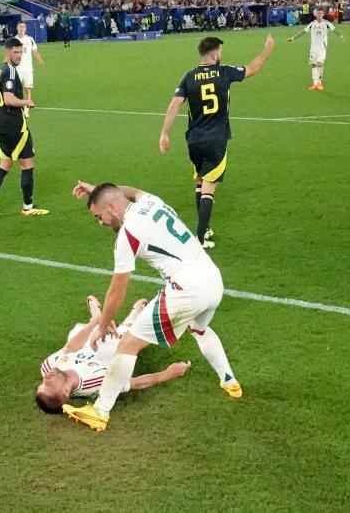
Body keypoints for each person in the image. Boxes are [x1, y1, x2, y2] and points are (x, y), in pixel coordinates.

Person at [62, 182, 242, 432]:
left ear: (112, 208)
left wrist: (102, 327)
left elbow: (117, 291)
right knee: (199, 329)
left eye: (99, 216)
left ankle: (100, 411)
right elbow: (130, 191)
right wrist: (97, 190)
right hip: (213, 279)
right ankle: (229, 380)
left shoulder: (128, 235)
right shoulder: (151, 201)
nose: (100, 222)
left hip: (186, 290)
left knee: (128, 345)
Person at [159, 35, 275, 248]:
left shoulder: (189, 76)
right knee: (209, 187)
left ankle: (206, 228)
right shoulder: (224, 72)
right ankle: (200, 239)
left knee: (200, 181)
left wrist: (164, 133)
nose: (221, 55)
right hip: (215, 139)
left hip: (194, 140)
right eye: (220, 51)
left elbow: (175, 103)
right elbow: (252, 69)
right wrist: (268, 50)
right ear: (214, 53)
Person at [36, 295, 191, 414]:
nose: (46, 377)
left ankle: (98, 315)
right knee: (128, 334)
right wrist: (168, 373)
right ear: (66, 391)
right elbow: (135, 383)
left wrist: (97, 322)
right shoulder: (95, 383)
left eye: (42, 382)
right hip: (113, 349)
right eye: (48, 384)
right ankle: (134, 314)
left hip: (85, 344)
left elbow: (70, 347)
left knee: (76, 334)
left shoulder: (48, 367)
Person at [0, 37, 47, 218]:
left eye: (21, 52)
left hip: (2, 124)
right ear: (7, 51)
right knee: (28, 163)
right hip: (15, 126)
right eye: (16, 52)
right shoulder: (10, 71)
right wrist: (26, 101)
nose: (19, 56)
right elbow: (9, 98)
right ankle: (28, 207)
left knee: (5, 165)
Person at [286, 7, 344, 91]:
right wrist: (293, 38)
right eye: (318, 13)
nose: (319, 14)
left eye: (321, 13)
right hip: (313, 47)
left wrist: (340, 36)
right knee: (313, 64)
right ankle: (315, 84)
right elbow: (303, 32)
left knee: (320, 63)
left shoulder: (327, 23)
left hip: (322, 47)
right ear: (315, 14)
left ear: (323, 14)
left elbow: (334, 30)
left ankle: (319, 82)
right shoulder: (312, 24)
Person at [13, 21, 45, 118]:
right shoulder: (13, 40)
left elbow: (34, 51)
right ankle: (19, 107)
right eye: (20, 26)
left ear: (25, 28)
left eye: (24, 26)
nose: (22, 28)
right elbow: (8, 54)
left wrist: (40, 60)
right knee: (17, 90)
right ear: (17, 28)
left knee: (28, 89)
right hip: (17, 68)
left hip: (28, 69)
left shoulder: (29, 39)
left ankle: (26, 110)